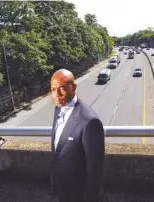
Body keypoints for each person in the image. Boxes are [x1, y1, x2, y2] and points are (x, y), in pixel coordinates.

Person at [49, 69, 106, 202]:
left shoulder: (90, 122)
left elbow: (95, 171)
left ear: (74, 87)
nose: (56, 94)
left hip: (79, 194)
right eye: (53, 89)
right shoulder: (58, 108)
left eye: (62, 88)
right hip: (61, 189)